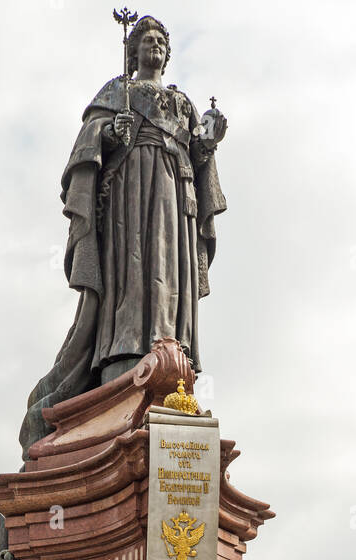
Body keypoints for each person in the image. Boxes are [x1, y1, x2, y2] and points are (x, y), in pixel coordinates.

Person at [20, 14, 227, 458]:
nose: (153, 45)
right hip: (129, 197)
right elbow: (86, 146)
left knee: (169, 272)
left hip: (175, 194)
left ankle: (172, 350)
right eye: (146, 39)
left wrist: (208, 143)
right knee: (134, 270)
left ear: (167, 55)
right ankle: (126, 354)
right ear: (133, 51)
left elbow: (201, 156)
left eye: (160, 41)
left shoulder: (182, 104)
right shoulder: (118, 93)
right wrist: (110, 133)